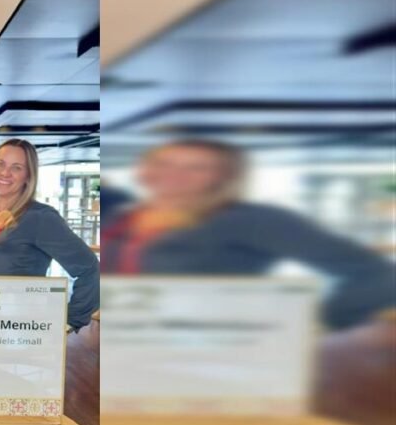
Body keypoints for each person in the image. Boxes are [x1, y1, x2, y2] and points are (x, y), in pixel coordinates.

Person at [102, 139, 396, 330]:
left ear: (224, 176)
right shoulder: (122, 218)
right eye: (163, 164)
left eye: (197, 167)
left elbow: (378, 275)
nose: (174, 174)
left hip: (214, 352)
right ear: (144, 170)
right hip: (123, 346)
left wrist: (316, 321)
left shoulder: (252, 220)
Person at [0, 139, 99, 331]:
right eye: (0, 164)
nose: (5, 172)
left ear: (28, 175)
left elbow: (90, 269)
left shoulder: (40, 218)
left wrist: (70, 321)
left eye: (16, 167)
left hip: (22, 329)